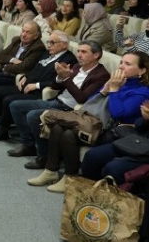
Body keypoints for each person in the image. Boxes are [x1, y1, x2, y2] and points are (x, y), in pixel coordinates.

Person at [28, 51, 149, 193]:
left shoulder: (143, 91)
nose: (121, 66)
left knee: (68, 134)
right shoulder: (119, 82)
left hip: (116, 132)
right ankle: (51, 171)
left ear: (142, 70)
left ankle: (70, 177)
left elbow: (119, 114)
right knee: (58, 127)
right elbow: (88, 102)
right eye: (121, 62)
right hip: (98, 123)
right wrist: (104, 90)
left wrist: (114, 90)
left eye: (128, 64)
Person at [8, 40, 109, 162]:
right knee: (15, 106)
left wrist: (66, 78)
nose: (79, 55)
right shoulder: (77, 67)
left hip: (71, 109)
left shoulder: (101, 75)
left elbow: (82, 98)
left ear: (96, 55)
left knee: (33, 116)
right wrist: (60, 76)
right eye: (78, 51)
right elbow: (55, 87)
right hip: (57, 101)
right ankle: (29, 145)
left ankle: (44, 155)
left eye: (84, 52)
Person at [0, 31, 78, 142]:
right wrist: (25, 76)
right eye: (48, 42)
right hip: (28, 85)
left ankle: (2, 130)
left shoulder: (68, 60)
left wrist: (36, 85)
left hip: (39, 92)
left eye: (52, 42)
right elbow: (34, 69)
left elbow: (58, 82)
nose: (49, 45)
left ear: (64, 45)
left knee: (8, 100)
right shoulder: (47, 53)